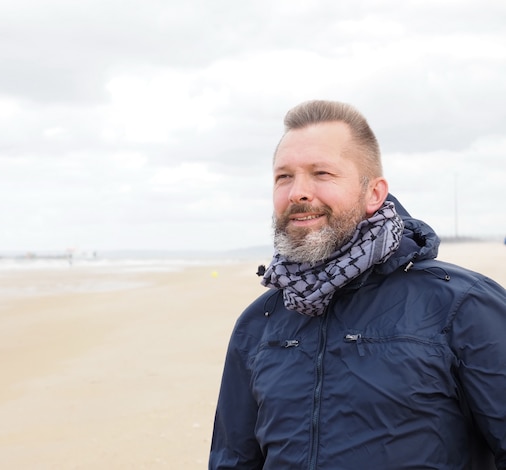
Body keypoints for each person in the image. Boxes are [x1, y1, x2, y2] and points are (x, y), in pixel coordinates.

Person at [209, 100, 506, 469]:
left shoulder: (463, 305)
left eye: (321, 173)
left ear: (374, 193)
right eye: (284, 176)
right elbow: (232, 461)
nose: (298, 192)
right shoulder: (260, 322)